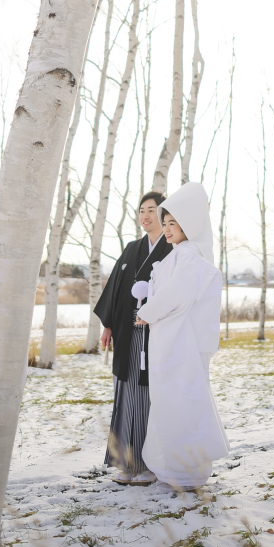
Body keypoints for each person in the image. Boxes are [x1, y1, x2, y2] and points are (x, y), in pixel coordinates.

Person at [136, 181, 229, 490]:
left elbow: (175, 296)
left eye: (173, 222)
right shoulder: (175, 258)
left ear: (189, 224)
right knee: (167, 401)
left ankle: (187, 469)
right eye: (165, 223)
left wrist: (146, 312)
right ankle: (169, 466)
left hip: (181, 345)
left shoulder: (191, 260)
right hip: (168, 342)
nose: (167, 228)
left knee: (182, 400)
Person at [93, 191, 171, 485]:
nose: (145, 216)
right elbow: (115, 288)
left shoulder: (172, 249)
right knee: (125, 394)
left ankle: (149, 464)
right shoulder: (131, 249)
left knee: (148, 396)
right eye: (141, 211)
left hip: (156, 335)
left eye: (151, 210)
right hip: (127, 334)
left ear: (163, 214)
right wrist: (109, 325)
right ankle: (126, 463)